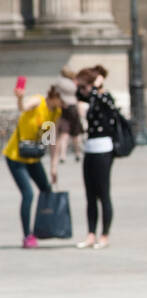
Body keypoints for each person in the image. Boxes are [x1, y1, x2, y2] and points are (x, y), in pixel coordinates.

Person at [5, 80, 68, 248]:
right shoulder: (38, 101)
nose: (64, 104)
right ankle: (27, 236)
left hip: (33, 158)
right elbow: (23, 107)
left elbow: (50, 141)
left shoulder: (55, 112)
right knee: (28, 194)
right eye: (62, 100)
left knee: (46, 189)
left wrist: (53, 167)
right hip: (16, 156)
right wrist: (20, 98)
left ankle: (44, 227)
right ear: (55, 96)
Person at [73, 67, 119, 248]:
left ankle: (105, 235)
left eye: (86, 85)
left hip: (104, 148)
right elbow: (78, 96)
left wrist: (96, 87)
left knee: (103, 193)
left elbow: (107, 105)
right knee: (90, 195)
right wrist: (82, 86)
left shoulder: (104, 96)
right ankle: (91, 233)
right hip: (90, 148)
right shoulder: (89, 98)